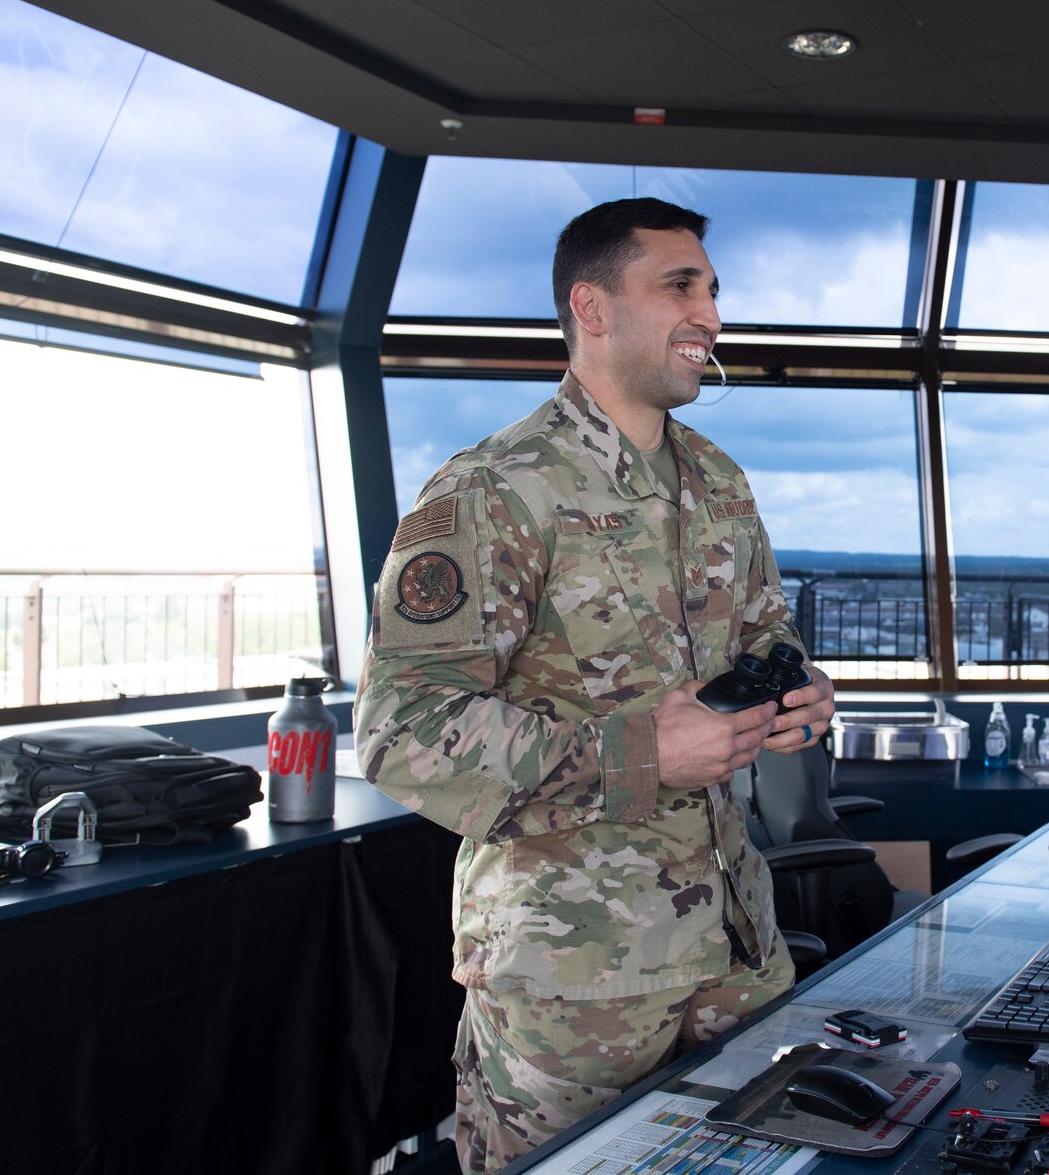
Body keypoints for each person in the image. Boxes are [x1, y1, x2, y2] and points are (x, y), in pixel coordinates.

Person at [352, 198, 836, 1174]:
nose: (708, 315)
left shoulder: (717, 482)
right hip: (570, 985)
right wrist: (639, 754)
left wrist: (796, 690)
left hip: (735, 949)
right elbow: (399, 731)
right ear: (593, 307)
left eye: (711, 290)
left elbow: (762, 633)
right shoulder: (493, 489)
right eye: (680, 286)